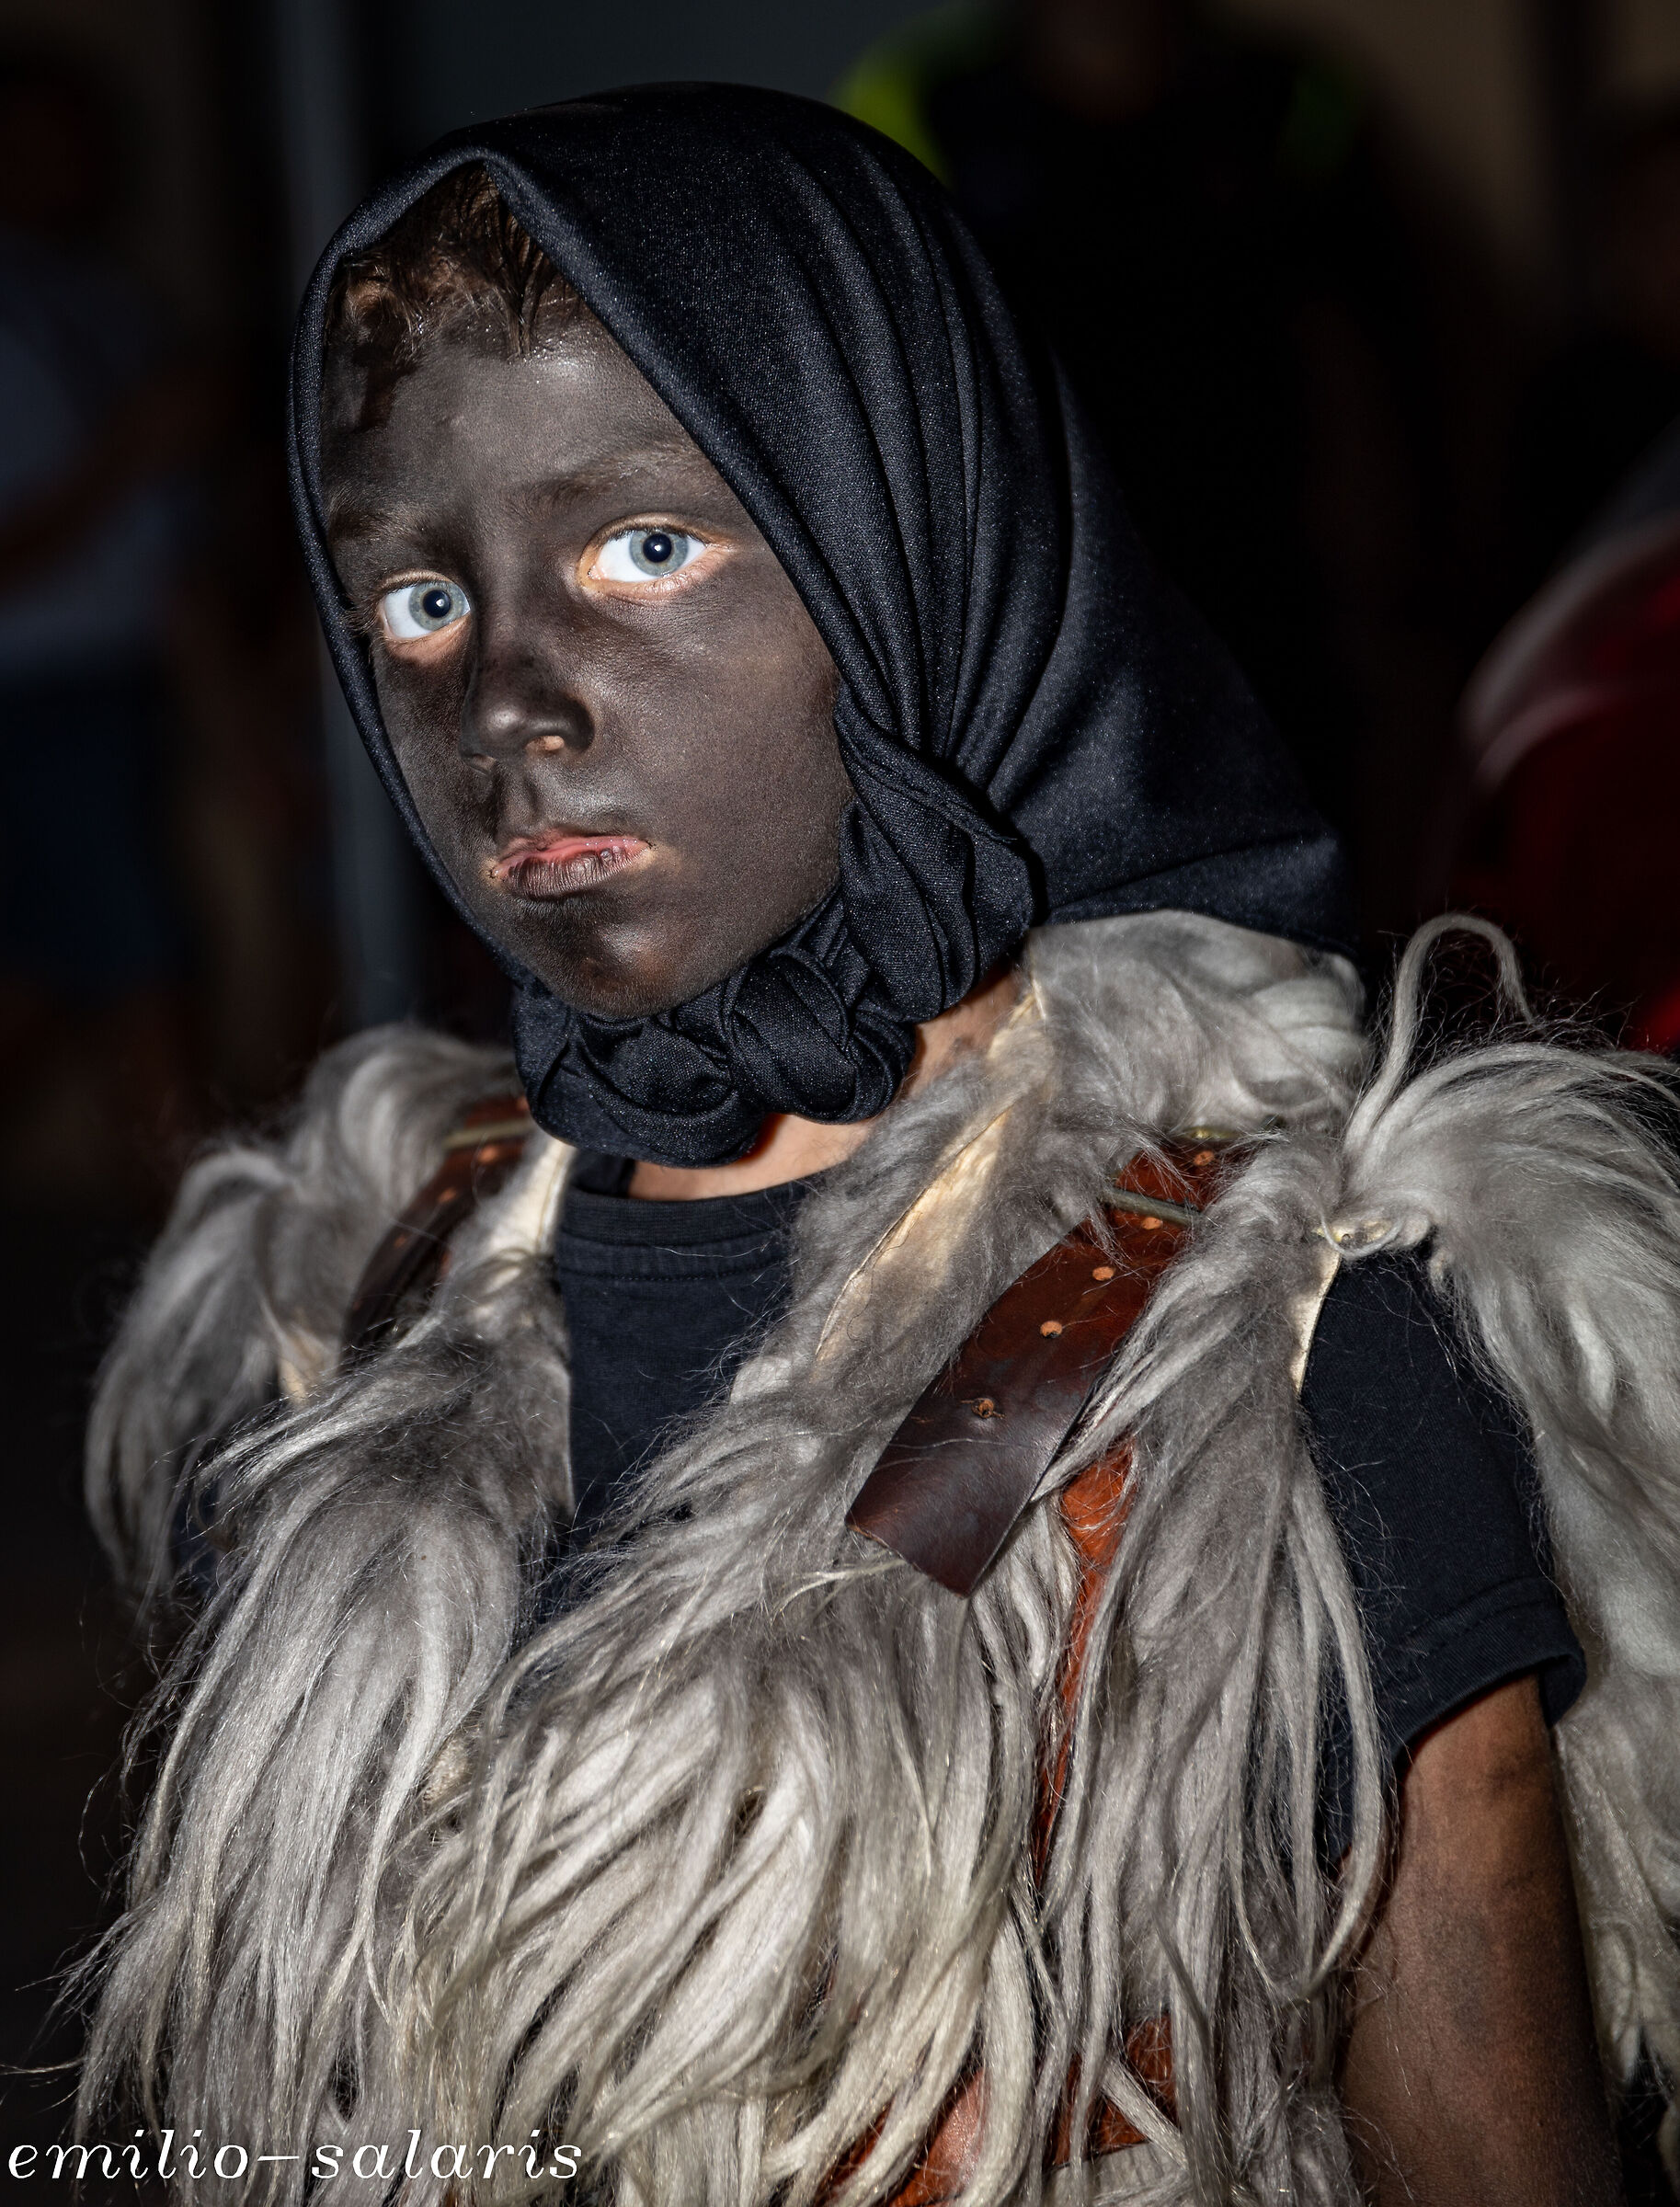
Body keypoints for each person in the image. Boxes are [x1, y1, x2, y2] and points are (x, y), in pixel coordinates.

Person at [75, 91, 1680, 2205]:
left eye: (642, 549)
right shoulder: (364, 1302)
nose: (512, 707)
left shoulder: (1278, 1366)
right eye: (415, 605)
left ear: (909, 534)